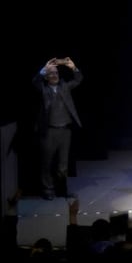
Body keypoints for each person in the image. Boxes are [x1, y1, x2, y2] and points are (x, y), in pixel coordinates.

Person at [33, 57, 84, 200]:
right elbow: (35, 81)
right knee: (47, 162)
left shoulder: (64, 87)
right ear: (47, 77)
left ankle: (62, 190)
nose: (54, 75)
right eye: (51, 74)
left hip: (65, 131)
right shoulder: (43, 89)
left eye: (56, 73)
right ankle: (48, 190)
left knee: (63, 165)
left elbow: (79, 79)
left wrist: (73, 68)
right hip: (49, 131)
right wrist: (44, 69)